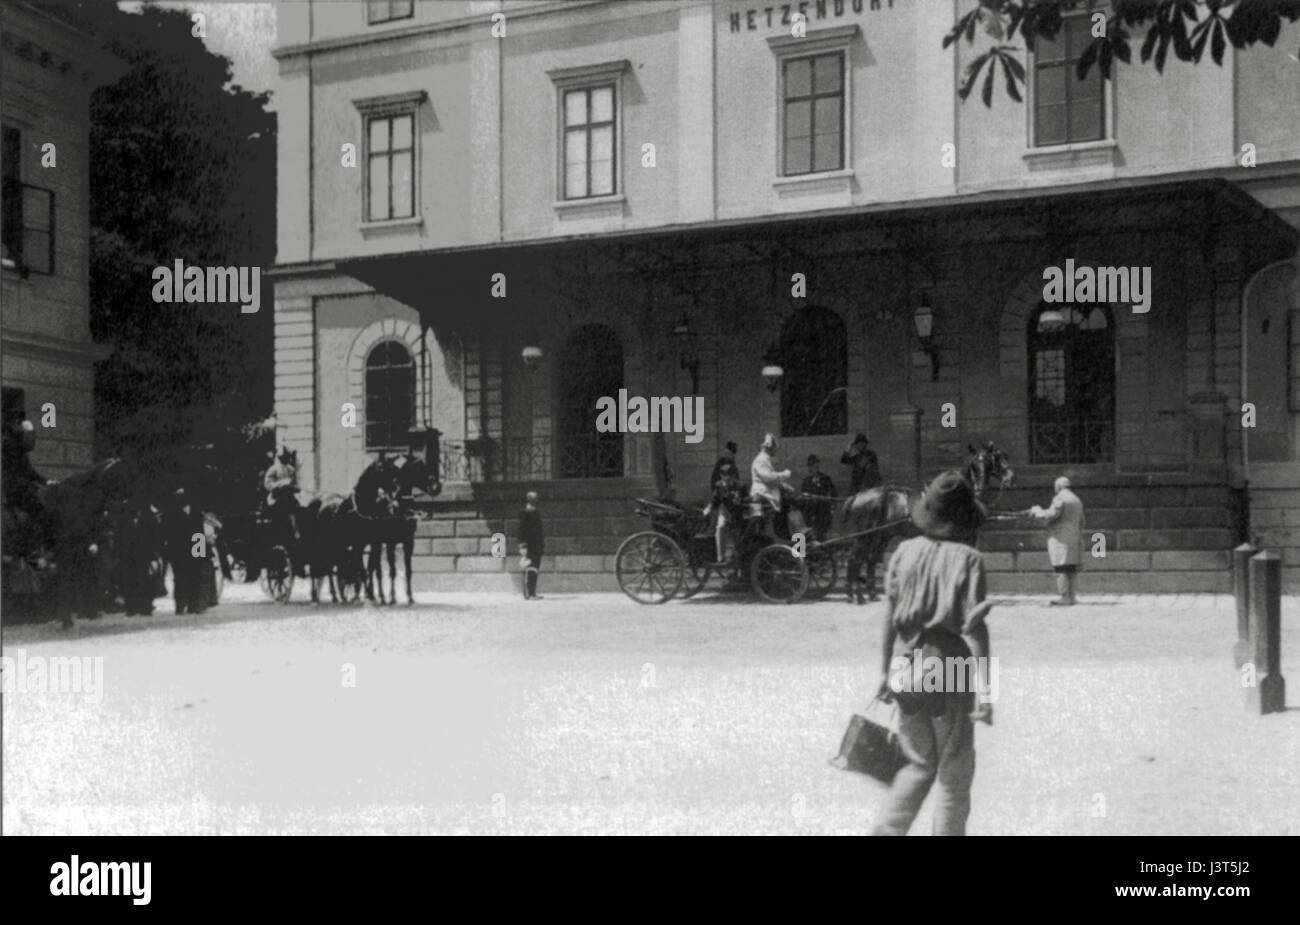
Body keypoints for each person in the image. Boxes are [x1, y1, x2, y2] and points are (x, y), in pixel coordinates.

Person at [871, 470, 993, 837]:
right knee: (954, 773)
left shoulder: (903, 552)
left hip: (906, 666)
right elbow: (976, 629)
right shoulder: (969, 559)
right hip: (950, 665)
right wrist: (987, 692)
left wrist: (884, 673)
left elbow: (889, 620)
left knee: (917, 765)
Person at [1028, 475, 1085, 606]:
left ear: (1058, 486)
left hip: (1060, 538)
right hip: (1074, 537)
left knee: (1060, 568)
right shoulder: (1077, 500)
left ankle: (1064, 597)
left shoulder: (1060, 498)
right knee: (1071, 568)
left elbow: (1051, 515)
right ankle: (1072, 596)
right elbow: (1083, 521)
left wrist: (1037, 511)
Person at [164, 488, 207, 615]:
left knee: (195, 577)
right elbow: (168, 533)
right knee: (180, 578)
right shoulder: (171, 512)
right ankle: (180, 605)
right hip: (178, 550)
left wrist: (200, 552)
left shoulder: (195, 511)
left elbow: (199, 532)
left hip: (193, 548)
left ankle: (194, 604)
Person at [703, 441, 742, 563]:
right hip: (723, 505)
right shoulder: (722, 464)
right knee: (719, 526)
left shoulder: (731, 464)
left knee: (737, 530)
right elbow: (715, 484)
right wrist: (712, 503)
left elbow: (738, 486)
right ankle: (720, 555)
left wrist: (737, 496)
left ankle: (736, 553)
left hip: (735, 508)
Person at [750, 433, 795, 538]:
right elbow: (768, 477)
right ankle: (784, 536)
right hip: (762, 497)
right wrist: (785, 474)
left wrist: (784, 486)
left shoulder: (765, 459)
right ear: (771, 448)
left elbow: (770, 480)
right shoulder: (761, 460)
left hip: (766, 496)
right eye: (775, 448)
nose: (776, 451)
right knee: (788, 506)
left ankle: (788, 534)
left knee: (789, 504)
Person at [263, 446, 299, 540]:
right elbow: (268, 484)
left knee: (295, 508)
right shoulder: (273, 469)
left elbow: (294, 484)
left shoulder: (289, 469)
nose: (286, 458)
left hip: (288, 497)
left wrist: (294, 487)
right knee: (284, 510)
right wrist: (280, 484)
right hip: (277, 498)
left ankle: (295, 531)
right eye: (284, 457)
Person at [799, 454, 836, 542]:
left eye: (817, 466)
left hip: (823, 513)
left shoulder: (825, 479)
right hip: (810, 514)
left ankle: (822, 551)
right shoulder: (806, 481)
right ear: (809, 467)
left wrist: (832, 508)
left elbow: (834, 494)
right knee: (810, 535)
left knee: (822, 535)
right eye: (812, 466)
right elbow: (803, 498)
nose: (815, 468)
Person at [518, 490, 545, 600]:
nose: (536, 500)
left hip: (537, 546)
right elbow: (521, 531)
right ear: (529, 499)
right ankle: (528, 594)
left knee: (534, 569)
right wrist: (522, 545)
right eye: (534, 498)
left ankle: (533, 592)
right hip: (528, 546)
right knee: (528, 568)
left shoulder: (536, 512)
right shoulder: (525, 513)